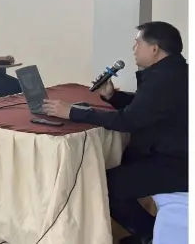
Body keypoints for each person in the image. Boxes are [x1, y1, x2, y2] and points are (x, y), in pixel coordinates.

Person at [43, 21, 188, 244]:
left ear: (154, 48)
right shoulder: (173, 71)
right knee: (114, 171)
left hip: (175, 165)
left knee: (103, 187)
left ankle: (149, 235)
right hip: (171, 154)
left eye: (137, 43)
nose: (133, 49)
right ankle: (149, 233)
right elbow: (146, 108)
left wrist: (73, 112)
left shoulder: (164, 79)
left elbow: (128, 120)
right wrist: (113, 96)